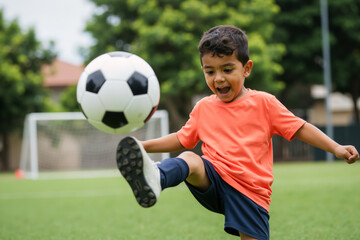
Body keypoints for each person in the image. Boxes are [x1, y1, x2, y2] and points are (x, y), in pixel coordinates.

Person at [116, 25, 359, 240]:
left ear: (247, 68)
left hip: (251, 191)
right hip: (214, 178)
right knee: (190, 159)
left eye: (227, 69)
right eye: (210, 71)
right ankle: (156, 177)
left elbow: (300, 128)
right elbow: (182, 138)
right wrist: (144, 146)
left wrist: (336, 147)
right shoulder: (204, 107)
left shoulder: (265, 103)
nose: (218, 78)